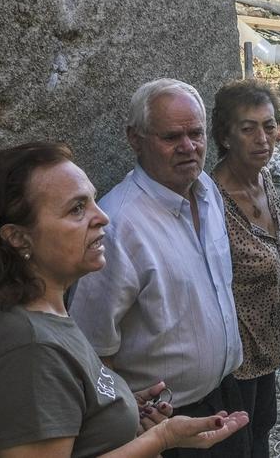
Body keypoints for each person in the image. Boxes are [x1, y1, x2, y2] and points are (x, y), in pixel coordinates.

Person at [0, 142, 249, 457]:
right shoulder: (28, 348)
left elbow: (67, 412)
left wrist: (114, 411)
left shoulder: (40, 313)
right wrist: (162, 438)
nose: (102, 218)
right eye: (77, 209)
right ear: (17, 237)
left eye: (93, 201)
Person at [71, 79, 248, 457]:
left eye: (196, 134)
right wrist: (123, 416)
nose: (189, 147)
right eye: (172, 137)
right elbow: (89, 346)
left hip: (225, 395)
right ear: (135, 139)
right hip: (165, 425)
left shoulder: (206, 189)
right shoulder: (118, 226)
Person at [210, 79, 280, 458]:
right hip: (233, 363)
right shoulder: (211, 201)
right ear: (226, 137)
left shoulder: (265, 179)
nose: (263, 138)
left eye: (269, 125)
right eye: (249, 128)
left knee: (263, 431)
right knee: (239, 447)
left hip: (268, 349)